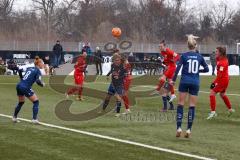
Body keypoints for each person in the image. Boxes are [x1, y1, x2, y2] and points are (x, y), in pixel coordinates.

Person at [172, 35, 209, 138]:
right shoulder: (200, 57)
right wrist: (198, 70)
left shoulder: (183, 56)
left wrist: (173, 81)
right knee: (192, 106)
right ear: (195, 46)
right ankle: (188, 130)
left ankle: (179, 128)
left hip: (184, 81)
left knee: (180, 104)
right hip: (195, 82)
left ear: (187, 46)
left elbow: (177, 69)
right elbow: (207, 70)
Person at [12, 56, 45, 124]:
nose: (43, 64)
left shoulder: (30, 68)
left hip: (19, 85)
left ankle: (14, 117)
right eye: (42, 63)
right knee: (36, 101)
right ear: (38, 64)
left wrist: (21, 78)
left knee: (21, 102)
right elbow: (38, 81)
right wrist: (42, 85)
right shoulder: (37, 71)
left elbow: (20, 70)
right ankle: (34, 119)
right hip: (25, 87)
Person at [207, 47, 235, 120]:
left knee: (212, 94)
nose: (215, 52)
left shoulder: (223, 62)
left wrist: (214, 83)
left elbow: (220, 75)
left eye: (216, 51)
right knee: (222, 94)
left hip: (222, 80)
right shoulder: (219, 59)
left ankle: (213, 112)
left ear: (220, 53)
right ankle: (230, 109)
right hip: (225, 79)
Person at [101, 53, 126, 117]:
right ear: (114, 60)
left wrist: (119, 77)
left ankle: (117, 113)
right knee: (107, 97)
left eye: (118, 60)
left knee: (118, 98)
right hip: (112, 84)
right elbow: (111, 71)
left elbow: (125, 75)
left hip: (119, 85)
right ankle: (103, 110)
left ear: (120, 60)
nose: (117, 61)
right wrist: (107, 75)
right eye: (116, 60)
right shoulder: (113, 65)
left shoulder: (123, 67)